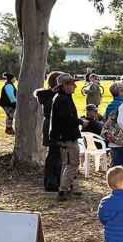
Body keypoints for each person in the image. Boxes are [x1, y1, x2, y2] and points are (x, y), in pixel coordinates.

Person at [50, 73, 84, 201]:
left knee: (67, 163)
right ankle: (63, 190)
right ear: (65, 85)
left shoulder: (62, 97)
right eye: (72, 84)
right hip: (67, 137)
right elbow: (67, 120)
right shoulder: (63, 99)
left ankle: (67, 187)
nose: (75, 86)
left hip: (63, 136)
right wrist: (80, 122)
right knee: (72, 163)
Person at [35, 71, 63, 192]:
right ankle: (51, 182)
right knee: (54, 155)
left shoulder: (48, 95)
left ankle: (54, 180)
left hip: (51, 125)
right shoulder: (51, 96)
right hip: (53, 126)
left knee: (55, 155)